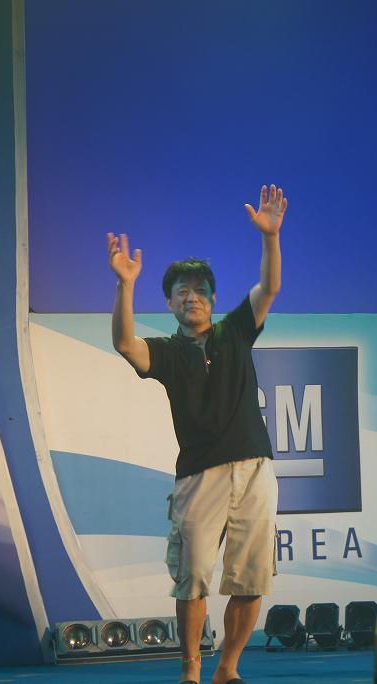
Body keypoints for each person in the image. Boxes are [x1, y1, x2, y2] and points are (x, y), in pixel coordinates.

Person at [107, 184, 287, 684]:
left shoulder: (236, 331)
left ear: (213, 299)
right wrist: (125, 284)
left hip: (254, 468)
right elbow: (125, 343)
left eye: (201, 290)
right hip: (198, 476)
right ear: (169, 302)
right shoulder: (166, 351)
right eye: (182, 291)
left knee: (251, 579)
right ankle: (191, 670)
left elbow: (270, 287)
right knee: (193, 580)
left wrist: (270, 237)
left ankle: (227, 668)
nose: (193, 297)